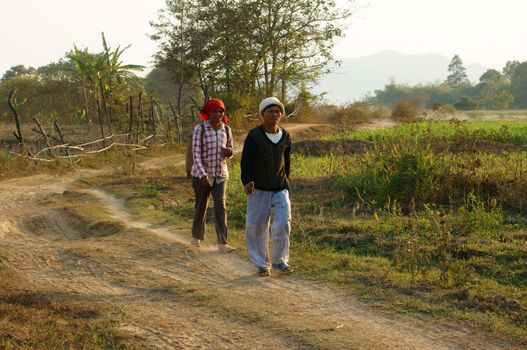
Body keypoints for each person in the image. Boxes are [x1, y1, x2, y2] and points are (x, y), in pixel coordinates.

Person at [241, 97, 293, 276]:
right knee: (257, 226)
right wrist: (247, 181)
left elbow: (286, 161)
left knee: (283, 222)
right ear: (263, 114)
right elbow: (246, 160)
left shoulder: (285, 135)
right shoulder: (254, 136)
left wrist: (286, 180)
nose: (275, 114)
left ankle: (280, 261)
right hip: (259, 189)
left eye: (278, 111)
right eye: (270, 111)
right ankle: (262, 264)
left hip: (280, 188)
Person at [190, 98, 235, 253]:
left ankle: (223, 243)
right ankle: (196, 237)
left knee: (220, 207)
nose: (218, 114)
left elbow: (231, 150)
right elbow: (196, 154)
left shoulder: (227, 129)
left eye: (221, 111)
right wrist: (202, 175)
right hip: (201, 175)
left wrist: (229, 152)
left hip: (220, 175)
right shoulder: (200, 129)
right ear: (208, 112)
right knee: (201, 205)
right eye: (214, 111)